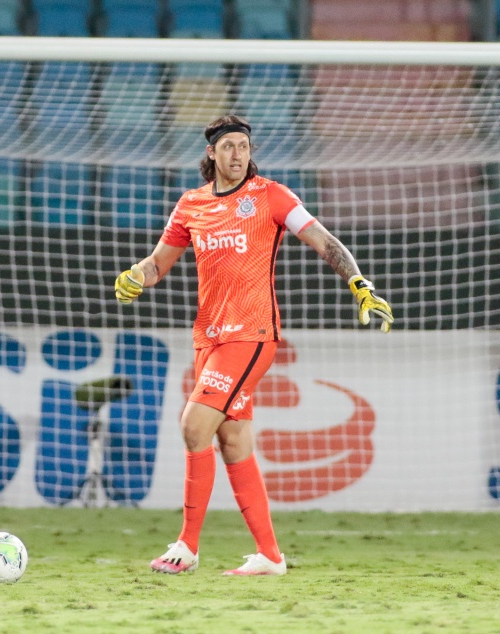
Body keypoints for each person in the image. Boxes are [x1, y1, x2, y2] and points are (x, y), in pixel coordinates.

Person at [114, 114, 393, 576]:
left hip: (251, 334)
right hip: (208, 336)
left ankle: (187, 545)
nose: (238, 154)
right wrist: (134, 277)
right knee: (232, 439)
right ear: (212, 153)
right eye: (228, 146)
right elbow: (158, 264)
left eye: (244, 145)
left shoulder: (270, 195)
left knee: (193, 426)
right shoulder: (190, 205)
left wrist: (359, 283)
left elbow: (323, 240)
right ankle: (270, 556)